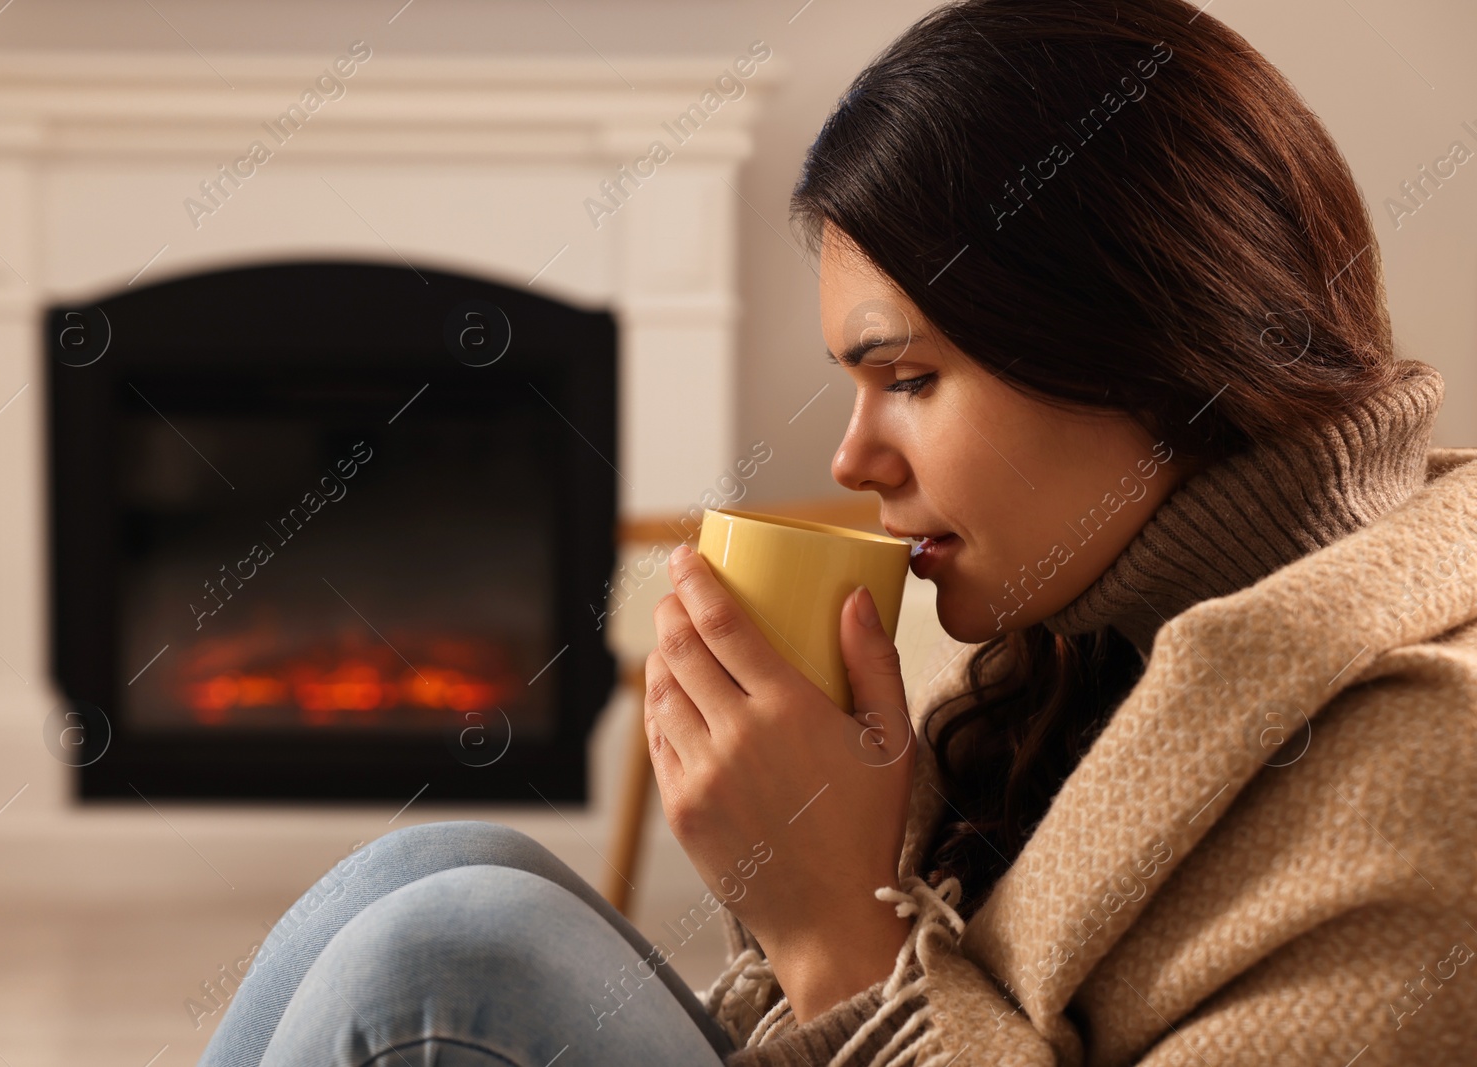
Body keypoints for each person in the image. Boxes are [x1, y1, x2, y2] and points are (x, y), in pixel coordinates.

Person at [198, 0, 1477, 1064]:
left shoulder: (1432, 762)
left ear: (1144, 348)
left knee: (449, 957)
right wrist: (810, 872)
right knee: (437, 867)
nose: (851, 457)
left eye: (908, 379)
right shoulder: (1079, 644)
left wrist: (829, 937)